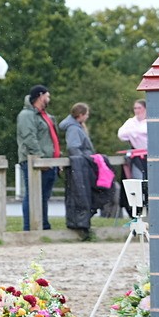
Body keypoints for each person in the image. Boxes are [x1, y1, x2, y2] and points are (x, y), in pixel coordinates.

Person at [16, 84, 60, 231]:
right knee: (32, 195)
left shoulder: (44, 115)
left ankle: (43, 226)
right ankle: (29, 227)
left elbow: (50, 138)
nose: (49, 98)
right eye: (47, 95)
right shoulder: (26, 115)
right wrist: (40, 159)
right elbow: (29, 138)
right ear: (40, 96)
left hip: (49, 162)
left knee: (44, 197)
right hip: (34, 162)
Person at [59, 103, 98, 241]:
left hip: (82, 162)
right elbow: (73, 147)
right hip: (80, 164)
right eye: (86, 114)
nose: (87, 117)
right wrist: (85, 159)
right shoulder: (74, 129)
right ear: (80, 115)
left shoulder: (76, 127)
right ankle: (81, 225)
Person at [117, 99, 148, 179]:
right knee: (138, 179)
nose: (137, 110)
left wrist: (133, 132)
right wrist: (134, 133)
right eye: (135, 108)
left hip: (149, 154)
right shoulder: (130, 122)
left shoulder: (150, 120)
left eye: (139, 108)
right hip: (137, 155)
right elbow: (121, 135)